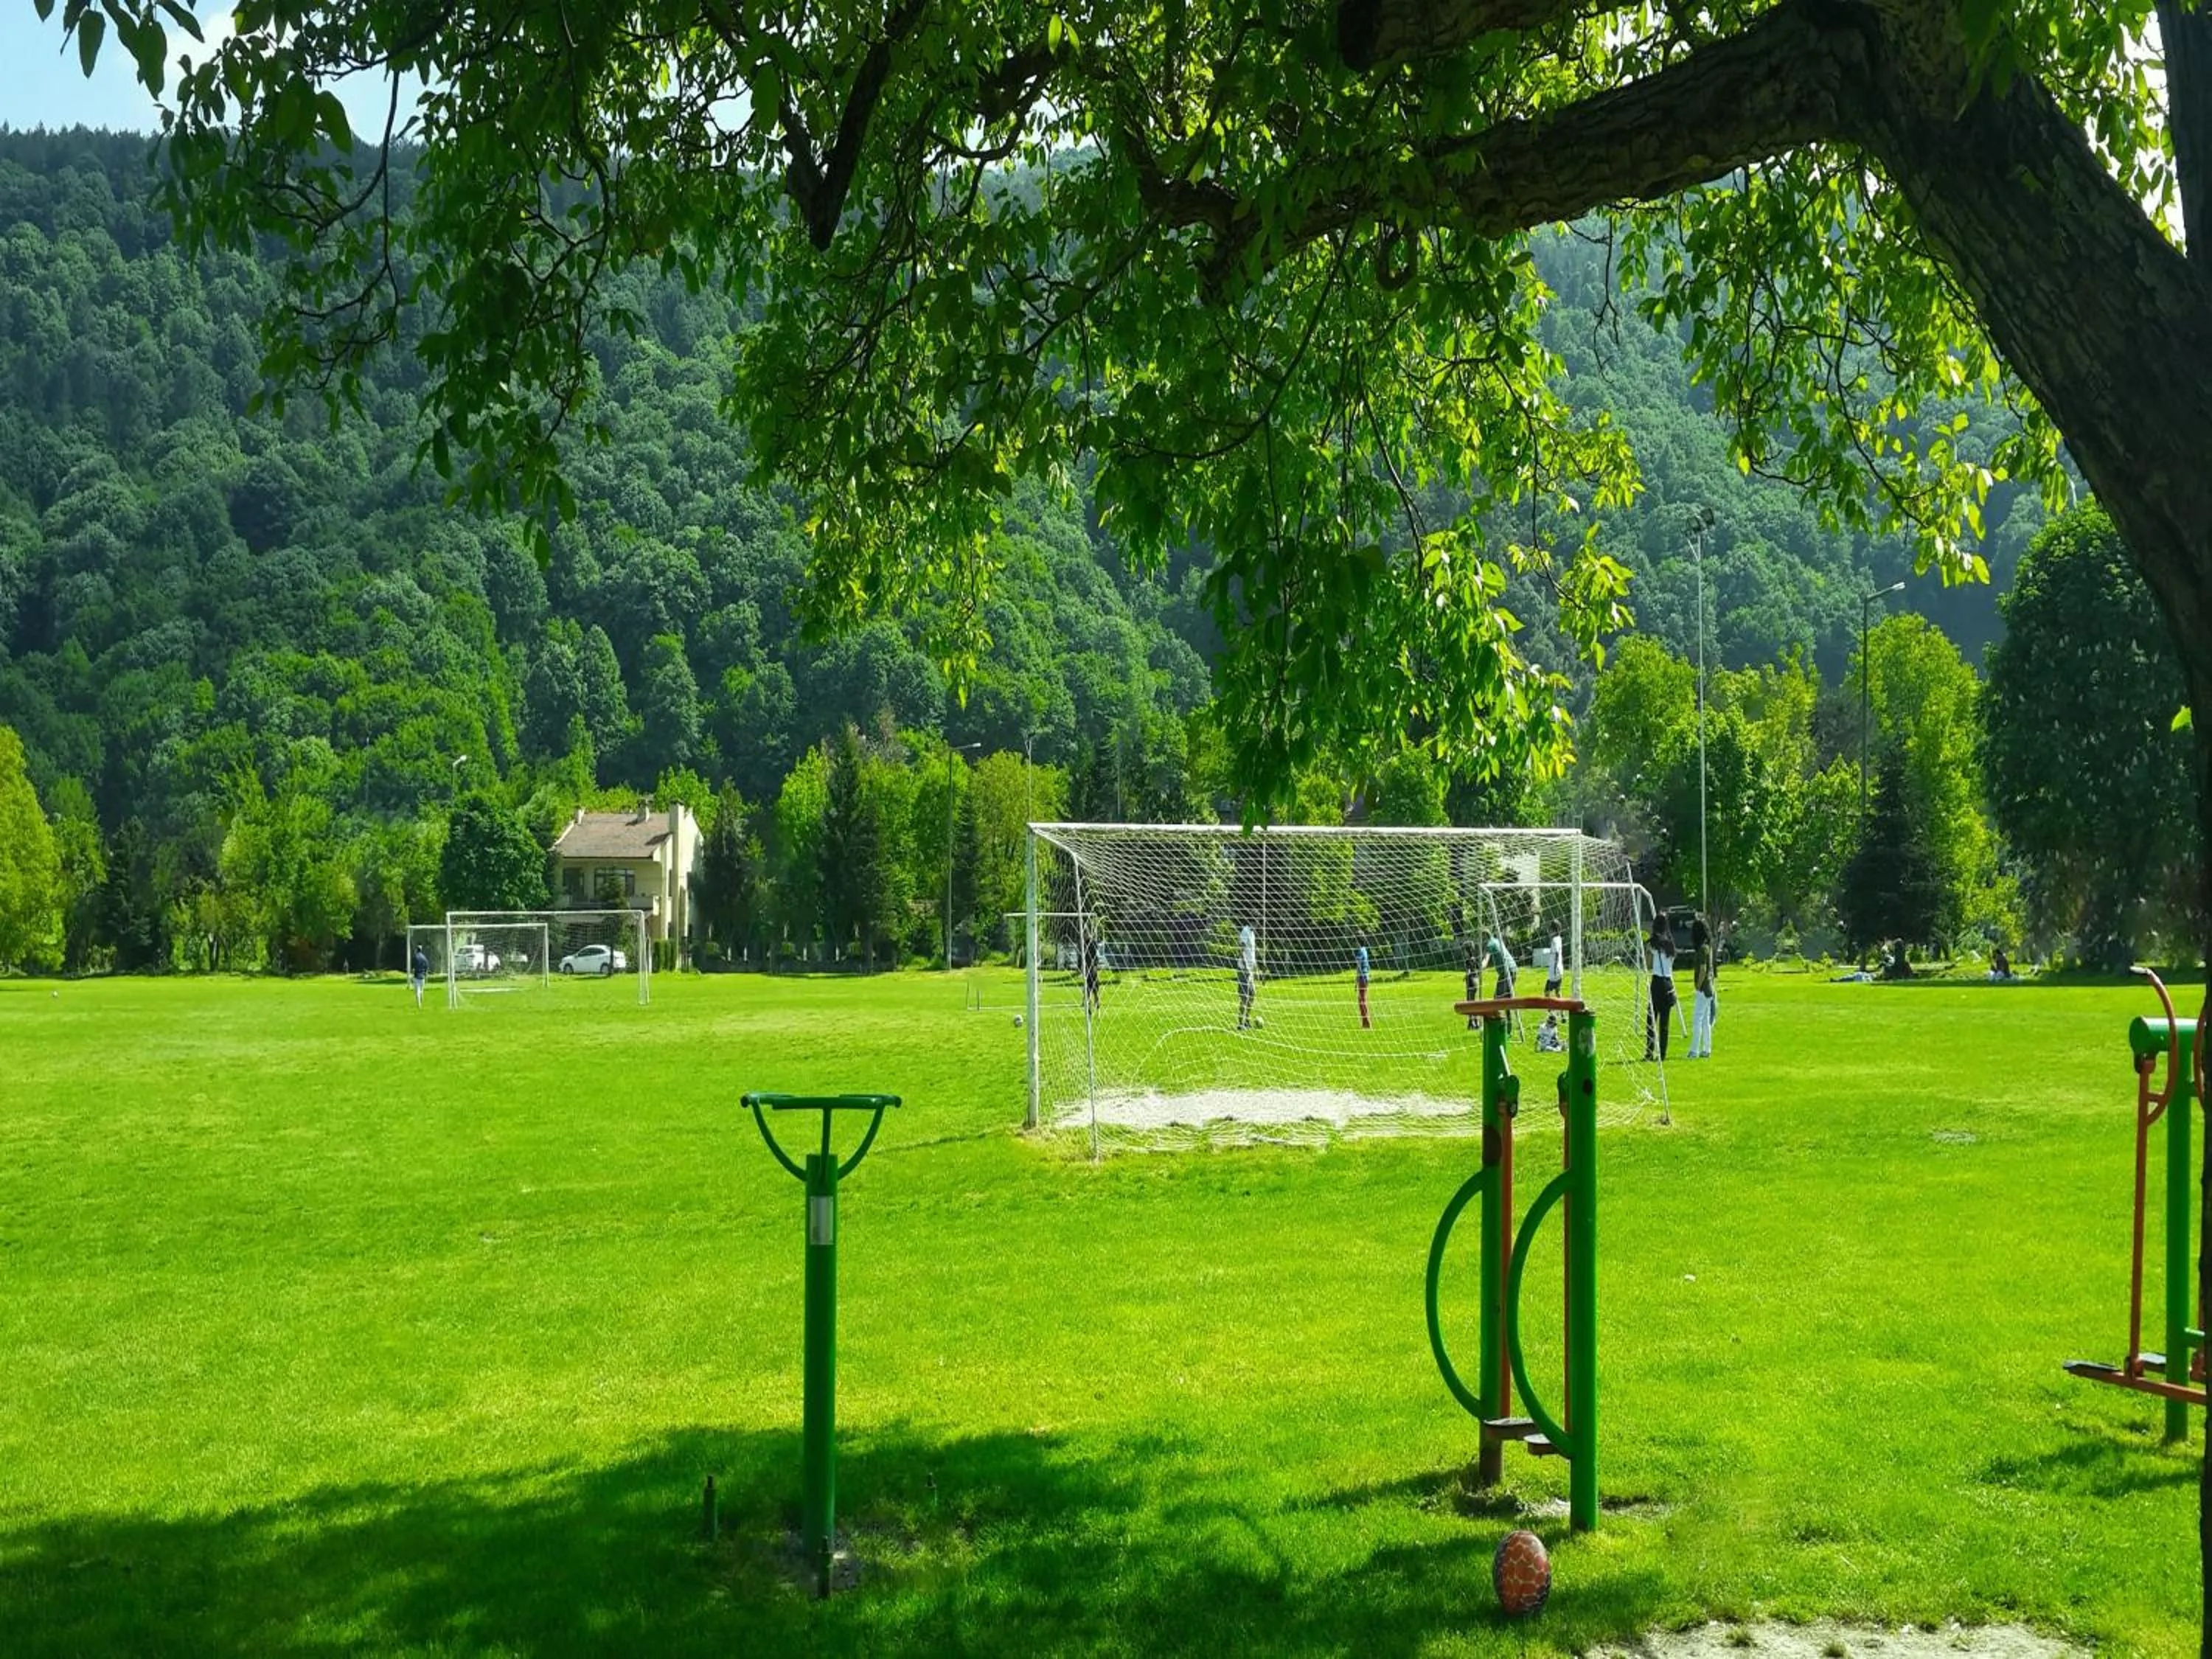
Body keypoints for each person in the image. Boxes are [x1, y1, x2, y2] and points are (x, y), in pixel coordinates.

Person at [1645, 917, 1677, 1062]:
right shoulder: (1670, 946)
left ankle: (1649, 1051)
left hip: (1657, 982)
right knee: (1665, 1022)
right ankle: (1662, 1054)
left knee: (1651, 1019)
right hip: (1668, 983)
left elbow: (1648, 954)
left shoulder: (1654, 945)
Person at [1688, 917, 1717, 1059]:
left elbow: (1703, 970)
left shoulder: (1702, 949)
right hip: (1709, 989)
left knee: (1697, 1019)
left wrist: (1698, 986)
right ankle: (1706, 1049)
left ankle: (1694, 1050)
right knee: (1705, 1020)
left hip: (1703, 988)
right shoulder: (1708, 947)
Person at [1237, 923, 1258, 1029]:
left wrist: (1256, 969)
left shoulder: (1253, 933)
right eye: (1257, 921)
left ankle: (1247, 1021)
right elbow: (1241, 949)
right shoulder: (1245, 931)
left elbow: (1252, 953)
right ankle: (1240, 1023)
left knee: (1253, 994)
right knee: (1244, 997)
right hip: (1243, 969)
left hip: (1250, 970)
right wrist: (1245, 964)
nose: (1259, 924)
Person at [1462, 942, 1482, 1029]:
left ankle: (1472, 1022)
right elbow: (1478, 968)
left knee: (1470, 1002)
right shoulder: (1475, 959)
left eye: (1464, 951)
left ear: (1467, 951)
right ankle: (1476, 1022)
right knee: (1474, 1002)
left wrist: (1466, 976)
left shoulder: (1468, 960)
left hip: (1471, 981)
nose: (1464, 953)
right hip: (1476, 980)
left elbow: (1469, 971)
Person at [1082, 933, 1102, 1014]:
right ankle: (1091, 1004)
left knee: (1092, 987)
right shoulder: (1086, 944)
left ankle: (1095, 1003)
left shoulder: (1091, 944)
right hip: (1089, 968)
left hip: (1091, 968)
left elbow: (1095, 956)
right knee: (1090, 987)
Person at [1354, 942, 1371, 1029]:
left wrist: (1356, 980)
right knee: (1362, 1000)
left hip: (1362, 977)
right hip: (1366, 977)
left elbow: (1359, 967)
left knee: (1362, 1001)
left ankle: (1367, 1023)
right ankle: (1365, 1023)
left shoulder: (1360, 951)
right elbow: (1367, 965)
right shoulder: (1365, 950)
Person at [409, 941, 431, 1009]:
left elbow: (413, 968)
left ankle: (419, 1005)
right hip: (423, 976)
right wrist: (426, 977)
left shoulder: (415, 957)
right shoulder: (424, 958)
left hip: (417, 976)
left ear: (416, 950)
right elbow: (427, 968)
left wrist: (411, 976)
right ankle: (421, 1001)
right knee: (421, 990)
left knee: (417, 991)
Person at [1544, 928, 1564, 998]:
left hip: (1555, 971)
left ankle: (1549, 1007)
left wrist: (1555, 968)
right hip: (1559, 970)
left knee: (1547, 991)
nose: (1549, 932)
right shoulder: (1559, 938)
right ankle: (1562, 1008)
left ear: (1554, 930)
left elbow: (1557, 953)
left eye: (1550, 930)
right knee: (1557, 991)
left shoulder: (1554, 940)